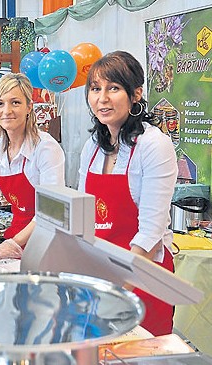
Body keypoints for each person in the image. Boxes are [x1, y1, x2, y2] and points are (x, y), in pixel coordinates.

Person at [77, 51, 177, 336]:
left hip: (144, 276)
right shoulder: (92, 147)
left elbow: (150, 232)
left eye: (114, 88)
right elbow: (84, 219)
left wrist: (119, 289)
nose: (102, 98)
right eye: (95, 89)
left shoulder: (153, 145)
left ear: (136, 94)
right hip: (103, 275)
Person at [0, 73, 65, 260]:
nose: (7, 111)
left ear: (29, 107)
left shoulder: (45, 147)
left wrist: (14, 243)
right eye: (0, 103)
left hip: (47, 241)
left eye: (15, 102)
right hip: (17, 232)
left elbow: (51, 210)